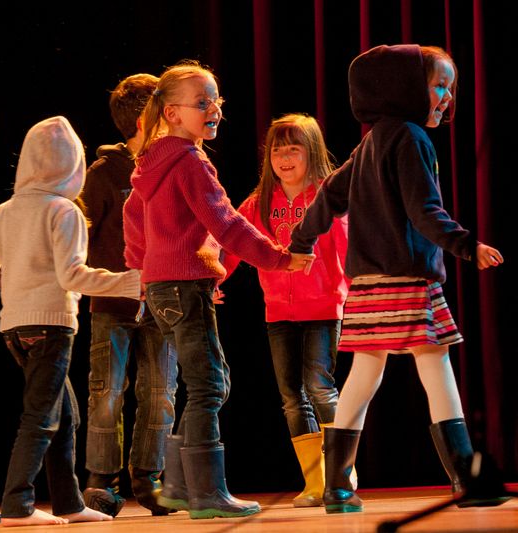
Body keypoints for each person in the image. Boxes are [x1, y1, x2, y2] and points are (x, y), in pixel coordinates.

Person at [288, 44, 508, 513]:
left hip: (368, 285)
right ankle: (465, 479)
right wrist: (467, 245)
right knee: (436, 366)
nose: (447, 97)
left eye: (450, 88)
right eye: (439, 86)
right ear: (403, 88)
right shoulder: (411, 138)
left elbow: (328, 196)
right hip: (407, 280)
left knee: (364, 374)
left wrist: (301, 242)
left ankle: (337, 487)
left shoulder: (370, 143)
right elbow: (424, 210)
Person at [123, 60, 313, 519]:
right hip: (183, 285)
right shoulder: (189, 161)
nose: (215, 110)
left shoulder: (152, 162)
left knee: (206, 382)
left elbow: (133, 220)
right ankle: (205, 492)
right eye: (202, 102)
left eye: (217, 101)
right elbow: (226, 223)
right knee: (209, 384)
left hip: (164, 286)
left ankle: (178, 487)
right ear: (172, 113)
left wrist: (146, 272)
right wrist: (280, 257)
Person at [0, 116, 139, 526]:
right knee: (41, 417)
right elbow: (73, 276)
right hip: (52, 327)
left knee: (65, 414)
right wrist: (132, 282)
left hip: (15, 330)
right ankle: (17, 505)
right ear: (73, 165)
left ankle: (68, 502)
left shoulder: (5, 211)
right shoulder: (64, 211)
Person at [222, 114, 349, 507]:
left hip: (323, 307)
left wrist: (356, 289)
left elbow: (348, 246)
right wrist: (215, 279)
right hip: (278, 312)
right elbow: (232, 242)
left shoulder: (328, 196)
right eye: (278, 151)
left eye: (294, 149)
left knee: (320, 386)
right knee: (292, 396)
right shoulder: (259, 202)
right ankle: (315, 482)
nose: (285, 158)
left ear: (312, 152)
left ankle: (342, 473)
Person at [79, 73, 178, 518]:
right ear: (144, 121)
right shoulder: (103, 173)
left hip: (163, 302)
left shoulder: (175, 164)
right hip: (112, 304)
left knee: (160, 391)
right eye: (165, 113)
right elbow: (80, 234)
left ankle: (149, 478)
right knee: (107, 393)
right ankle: (101, 482)